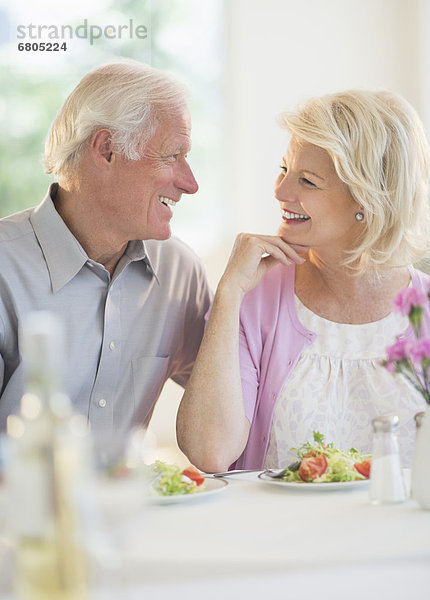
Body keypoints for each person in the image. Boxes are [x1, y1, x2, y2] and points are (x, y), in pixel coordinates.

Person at [177, 89, 430, 472]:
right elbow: (209, 452)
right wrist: (229, 293)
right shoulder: (256, 298)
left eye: (307, 181)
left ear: (367, 199)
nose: (280, 191)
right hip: (277, 532)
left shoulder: (422, 312)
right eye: (284, 170)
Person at [0, 60, 212, 439]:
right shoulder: (5, 267)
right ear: (107, 149)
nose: (190, 183)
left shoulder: (179, 272)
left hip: (132, 499)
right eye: (173, 155)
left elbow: (236, 410)